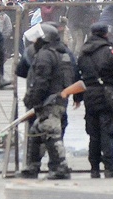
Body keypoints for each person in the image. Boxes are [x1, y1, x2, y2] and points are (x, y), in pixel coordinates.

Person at [74, 23, 113, 178]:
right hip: (109, 97)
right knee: (108, 132)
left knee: (93, 134)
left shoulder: (83, 53)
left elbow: (78, 77)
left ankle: (94, 169)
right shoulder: (111, 53)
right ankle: (108, 167)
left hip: (90, 96)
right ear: (106, 34)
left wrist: (77, 98)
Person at [18, 23, 74, 180]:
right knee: (37, 133)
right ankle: (32, 167)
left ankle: (61, 167)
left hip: (49, 101)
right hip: (58, 100)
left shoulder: (45, 55)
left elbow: (41, 81)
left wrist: (32, 99)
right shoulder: (62, 53)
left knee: (51, 133)